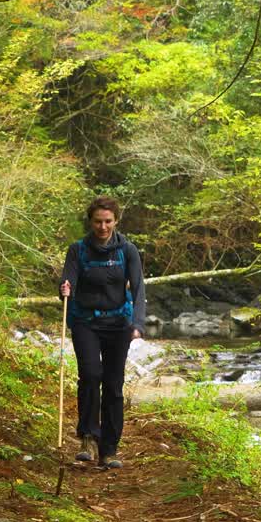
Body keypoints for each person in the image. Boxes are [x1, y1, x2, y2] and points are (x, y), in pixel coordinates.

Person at [59, 195, 146, 468]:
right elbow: (68, 280)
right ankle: (87, 437)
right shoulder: (78, 250)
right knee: (90, 375)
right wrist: (64, 289)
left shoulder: (127, 250)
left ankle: (109, 448)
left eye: (108, 221)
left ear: (116, 221)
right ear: (90, 221)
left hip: (118, 324)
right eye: (98, 221)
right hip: (85, 321)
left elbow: (139, 287)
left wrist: (138, 324)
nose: (103, 227)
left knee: (113, 384)